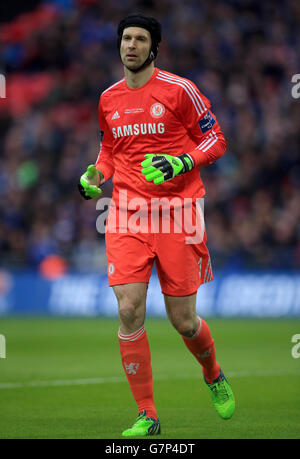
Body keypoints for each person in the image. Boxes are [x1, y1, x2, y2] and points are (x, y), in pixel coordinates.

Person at [78, 13, 235, 437]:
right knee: (128, 309)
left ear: (154, 47)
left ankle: (213, 372)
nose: (131, 45)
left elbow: (216, 139)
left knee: (184, 320)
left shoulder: (179, 90)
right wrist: (95, 175)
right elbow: (109, 148)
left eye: (140, 39)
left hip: (179, 212)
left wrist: (181, 161)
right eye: (126, 38)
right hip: (126, 212)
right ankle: (148, 416)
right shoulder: (108, 98)